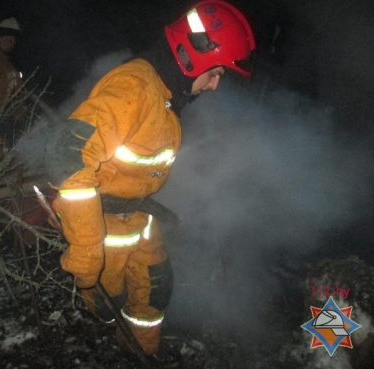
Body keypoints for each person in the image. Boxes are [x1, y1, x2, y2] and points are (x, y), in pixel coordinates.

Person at [43, 0, 255, 358]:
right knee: (109, 304)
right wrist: (86, 247)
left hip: (136, 219)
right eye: (215, 73)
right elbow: (67, 153)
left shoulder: (165, 94)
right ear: (193, 55)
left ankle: (142, 354)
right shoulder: (135, 87)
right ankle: (116, 341)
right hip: (101, 224)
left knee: (155, 292)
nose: (215, 85)